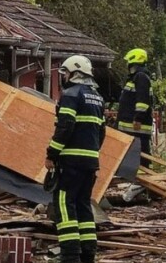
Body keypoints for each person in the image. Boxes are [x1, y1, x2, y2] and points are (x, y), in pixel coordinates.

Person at [45, 55, 107, 263]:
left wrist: (52, 154)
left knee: (64, 204)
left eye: (66, 73)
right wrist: (91, 153)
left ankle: (70, 256)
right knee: (83, 205)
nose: (64, 77)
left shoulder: (70, 95)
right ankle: (88, 254)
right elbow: (102, 132)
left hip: (70, 162)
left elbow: (65, 126)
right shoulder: (97, 98)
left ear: (75, 73)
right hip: (90, 163)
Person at [116, 48, 154, 202]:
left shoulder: (141, 77)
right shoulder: (135, 78)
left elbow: (142, 101)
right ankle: (140, 184)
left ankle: (143, 184)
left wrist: (138, 118)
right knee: (135, 156)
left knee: (142, 156)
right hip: (131, 126)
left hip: (138, 127)